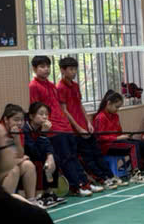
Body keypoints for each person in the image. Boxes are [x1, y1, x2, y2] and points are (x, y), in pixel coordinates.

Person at [28, 56, 96, 198]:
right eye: (42, 66)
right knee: (66, 158)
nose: (46, 69)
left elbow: (59, 107)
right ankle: (76, 186)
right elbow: (35, 109)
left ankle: (85, 183)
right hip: (54, 129)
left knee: (74, 156)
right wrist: (45, 124)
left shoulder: (51, 85)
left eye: (48, 66)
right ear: (34, 69)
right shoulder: (33, 86)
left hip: (65, 126)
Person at [56, 56, 120, 188]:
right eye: (71, 69)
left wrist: (88, 123)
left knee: (97, 153)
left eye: (75, 69)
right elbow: (64, 111)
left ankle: (109, 176)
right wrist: (78, 128)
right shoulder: (60, 87)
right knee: (88, 157)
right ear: (62, 70)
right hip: (75, 131)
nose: (74, 72)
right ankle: (102, 179)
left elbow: (80, 105)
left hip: (85, 127)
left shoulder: (75, 86)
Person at [92, 91, 144, 184]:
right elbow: (99, 138)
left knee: (140, 143)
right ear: (108, 103)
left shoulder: (115, 116)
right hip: (106, 147)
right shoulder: (100, 117)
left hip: (117, 143)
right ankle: (135, 174)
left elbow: (119, 132)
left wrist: (126, 136)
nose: (118, 109)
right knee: (133, 146)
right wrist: (117, 138)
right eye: (116, 107)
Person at [22, 103, 61, 206]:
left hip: (38, 154)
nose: (45, 117)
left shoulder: (41, 127)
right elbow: (34, 152)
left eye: (46, 114)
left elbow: (47, 145)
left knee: (55, 159)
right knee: (40, 162)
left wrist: (50, 156)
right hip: (28, 157)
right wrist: (43, 134)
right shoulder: (25, 129)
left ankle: (48, 193)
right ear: (31, 116)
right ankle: (38, 195)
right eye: (41, 114)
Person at [0, 104, 39, 201]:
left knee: (28, 165)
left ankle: (31, 201)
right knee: (14, 170)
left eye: (22, 120)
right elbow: (1, 161)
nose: (20, 123)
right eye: (16, 120)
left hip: (8, 165)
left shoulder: (19, 132)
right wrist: (18, 160)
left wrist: (16, 138)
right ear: (6, 119)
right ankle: (3, 205)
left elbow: (20, 154)